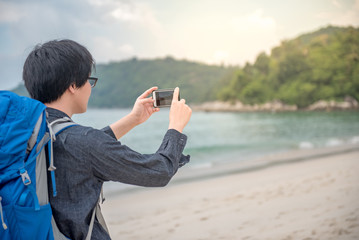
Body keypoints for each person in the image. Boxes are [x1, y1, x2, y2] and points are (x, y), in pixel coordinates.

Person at [22, 39, 192, 240]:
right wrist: (175, 127)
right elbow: (158, 171)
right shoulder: (83, 142)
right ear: (72, 85)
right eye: (89, 80)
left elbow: (83, 148)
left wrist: (133, 119)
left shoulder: (28, 132)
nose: (90, 88)